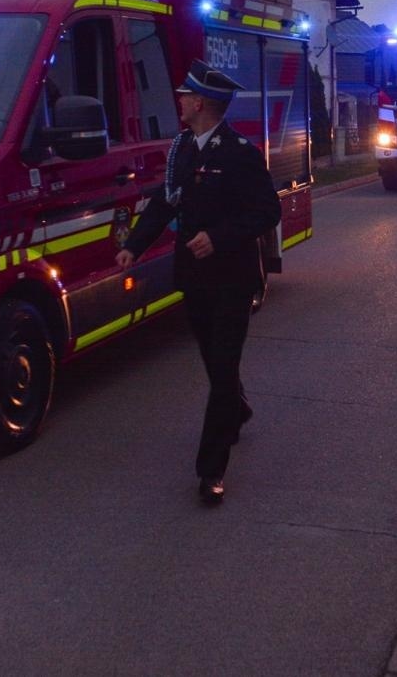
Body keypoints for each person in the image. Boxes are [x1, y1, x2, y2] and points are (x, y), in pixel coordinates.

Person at [115, 59, 281, 506]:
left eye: (186, 96)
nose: (180, 101)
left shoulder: (240, 154)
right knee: (213, 361)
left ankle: (211, 471)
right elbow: (165, 203)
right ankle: (238, 407)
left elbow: (268, 211)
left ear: (202, 103)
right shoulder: (183, 148)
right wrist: (135, 243)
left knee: (222, 370)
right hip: (195, 279)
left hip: (233, 280)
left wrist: (220, 237)